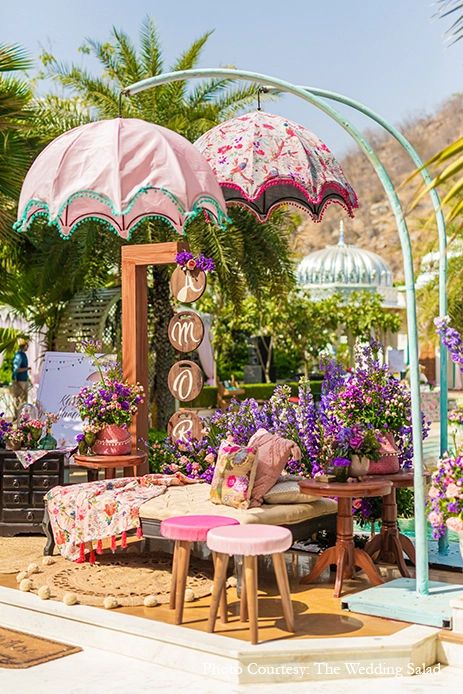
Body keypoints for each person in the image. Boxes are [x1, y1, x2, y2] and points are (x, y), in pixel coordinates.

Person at [11, 338, 30, 417]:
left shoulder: (22, 354)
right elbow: (16, 369)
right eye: (27, 345)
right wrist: (27, 369)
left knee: (23, 400)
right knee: (19, 400)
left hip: (23, 380)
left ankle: (21, 417)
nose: (28, 347)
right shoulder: (19, 355)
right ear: (24, 345)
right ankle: (17, 417)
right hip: (19, 380)